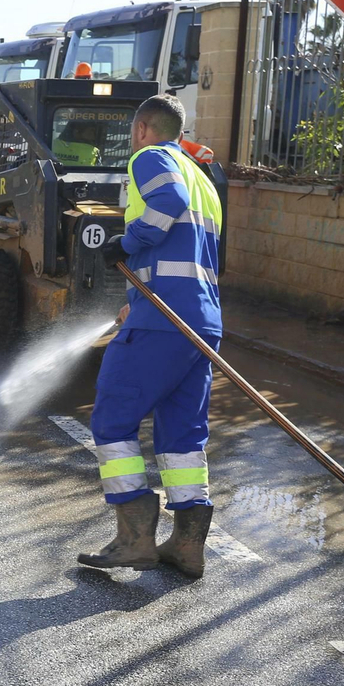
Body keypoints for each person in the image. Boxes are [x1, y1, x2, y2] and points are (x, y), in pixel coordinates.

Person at [80, 94, 224, 578]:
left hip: (164, 320)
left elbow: (166, 204)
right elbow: (190, 255)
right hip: (199, 321)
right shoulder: (202, 179)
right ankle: (186, 546)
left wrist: (127, 241)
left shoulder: (152, 158)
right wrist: (138, 299)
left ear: (142, 128)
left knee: (112, 421)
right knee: (183, 436)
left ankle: (135, 536)